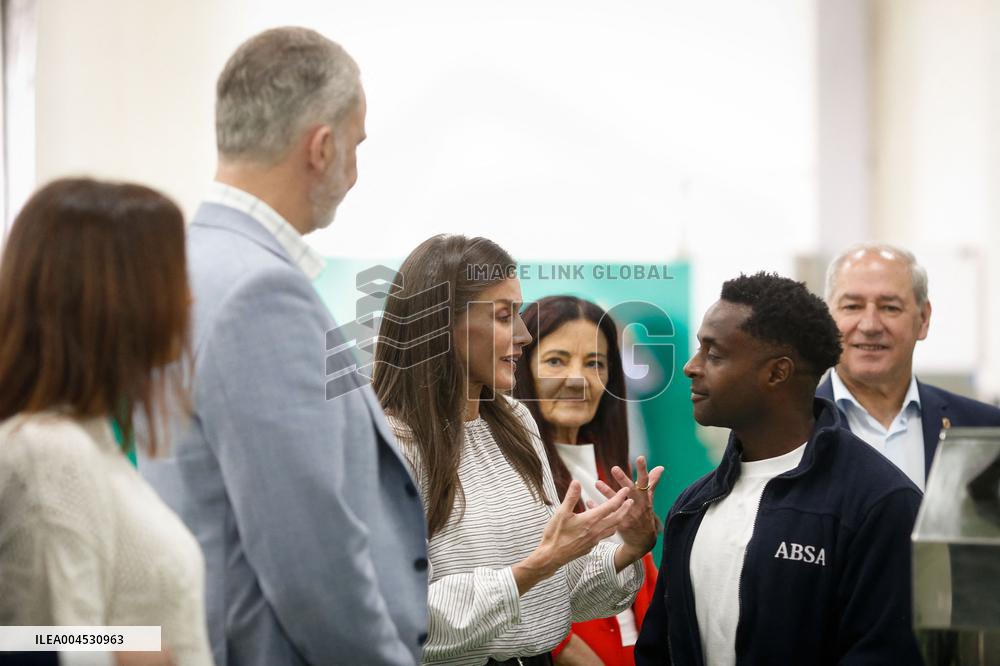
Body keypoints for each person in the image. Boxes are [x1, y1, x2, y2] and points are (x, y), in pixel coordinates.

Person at [139, 28, 428, 666]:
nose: (355, 170)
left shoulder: (183, 262)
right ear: (321, 148)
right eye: (356, 145)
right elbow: (310, 555)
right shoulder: (259, 291)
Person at [372, 235, 659, 666]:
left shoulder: (516, 424)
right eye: (505, 317)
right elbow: (399, 617)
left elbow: (554, 593)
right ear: (442, 323)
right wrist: (534, 568)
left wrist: (626, 549)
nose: (524, 336)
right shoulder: (388, 445)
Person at [635, 272, 923, 665]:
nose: (691, 367)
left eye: (714, 354)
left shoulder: (880, 503)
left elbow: (885, 653)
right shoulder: (694, 505)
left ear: (777, 372)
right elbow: (659, 650)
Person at [0, 178, 212, 665]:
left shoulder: (91, 440)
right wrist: (125, 650)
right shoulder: (49, 451)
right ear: (117, 296)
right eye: (172, 278)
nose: (187, 300)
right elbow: (42, 642)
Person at [513, 295, 661, 666]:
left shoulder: (612, 471)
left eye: (595, 363)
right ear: (520, 368)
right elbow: (516, 600)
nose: (578, 379)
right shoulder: (507, 474)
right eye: (556, 361)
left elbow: (647, 590)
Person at [818, 242, 1000, 489]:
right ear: (828, 318)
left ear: (923, 319)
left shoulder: (984, 428)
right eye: (852, 306)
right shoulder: (789, 432)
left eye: (889, 308)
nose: (870, 325)